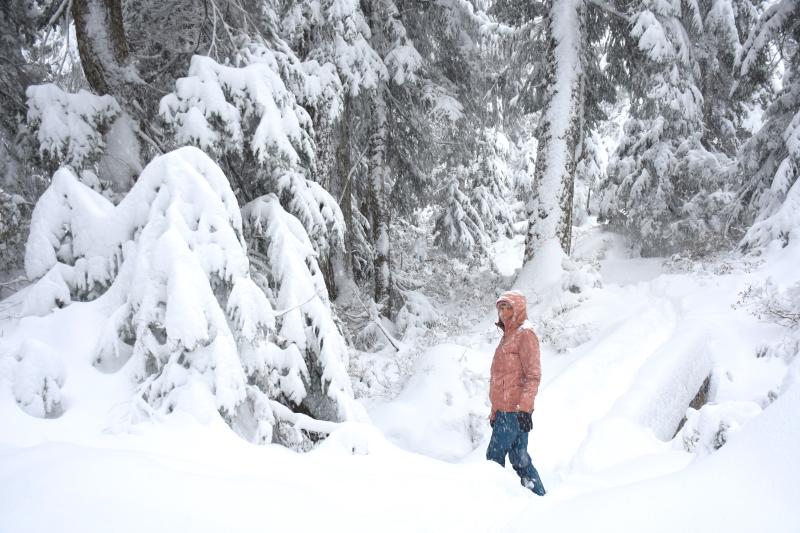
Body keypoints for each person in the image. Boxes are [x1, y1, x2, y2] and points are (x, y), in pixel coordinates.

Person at [487, 290, 546, 496]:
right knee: (519, 458)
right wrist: (494, 412)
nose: (503, 312)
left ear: (518, 308)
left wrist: (524, 409)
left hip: (514, 412)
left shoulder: (525, 335)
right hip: (505, 411)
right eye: (500, 308)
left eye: (508, 307)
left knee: (493, 459)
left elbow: (533, 375)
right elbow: (501, 379)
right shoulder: (508, 336)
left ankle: (491, 501)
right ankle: (540, 498)